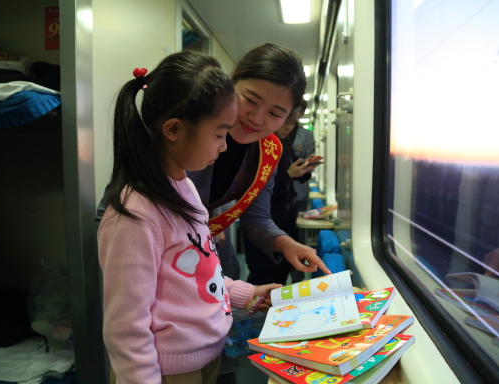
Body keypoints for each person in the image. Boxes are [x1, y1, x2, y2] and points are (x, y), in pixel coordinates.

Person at [97, 51, 281, 384]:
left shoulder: (184, 188)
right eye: (219, 134)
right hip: (167, 372)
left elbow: (197, 272)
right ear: (173, 129)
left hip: (204, 358)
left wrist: (246, 294)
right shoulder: (136, 214)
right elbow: (126, 328)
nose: (224, 146)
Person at [96, 43, 330, 278]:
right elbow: (126, 208)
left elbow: (257, 218)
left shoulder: (268, 152)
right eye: (251, 100)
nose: (257, 118)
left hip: (199, 248)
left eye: (275, 114)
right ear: (231, 82)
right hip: (143, 249)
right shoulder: (183, 132)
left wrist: (285, 243)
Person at [243, 106, 322, 285]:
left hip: (286, 212)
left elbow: (294, 166)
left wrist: (305, 169)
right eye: (287, 122)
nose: (290, 127)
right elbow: (258, 184)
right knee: (264, 272)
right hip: (267, 215)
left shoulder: (282, 142)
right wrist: (289, 175)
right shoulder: (262, 144)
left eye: (293, 123)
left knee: (281, 270)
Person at [287, 99, 318, 212]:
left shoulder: (307, 134)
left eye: (298, 110)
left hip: (300, 186)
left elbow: (310, 158)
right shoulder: (275, 131)